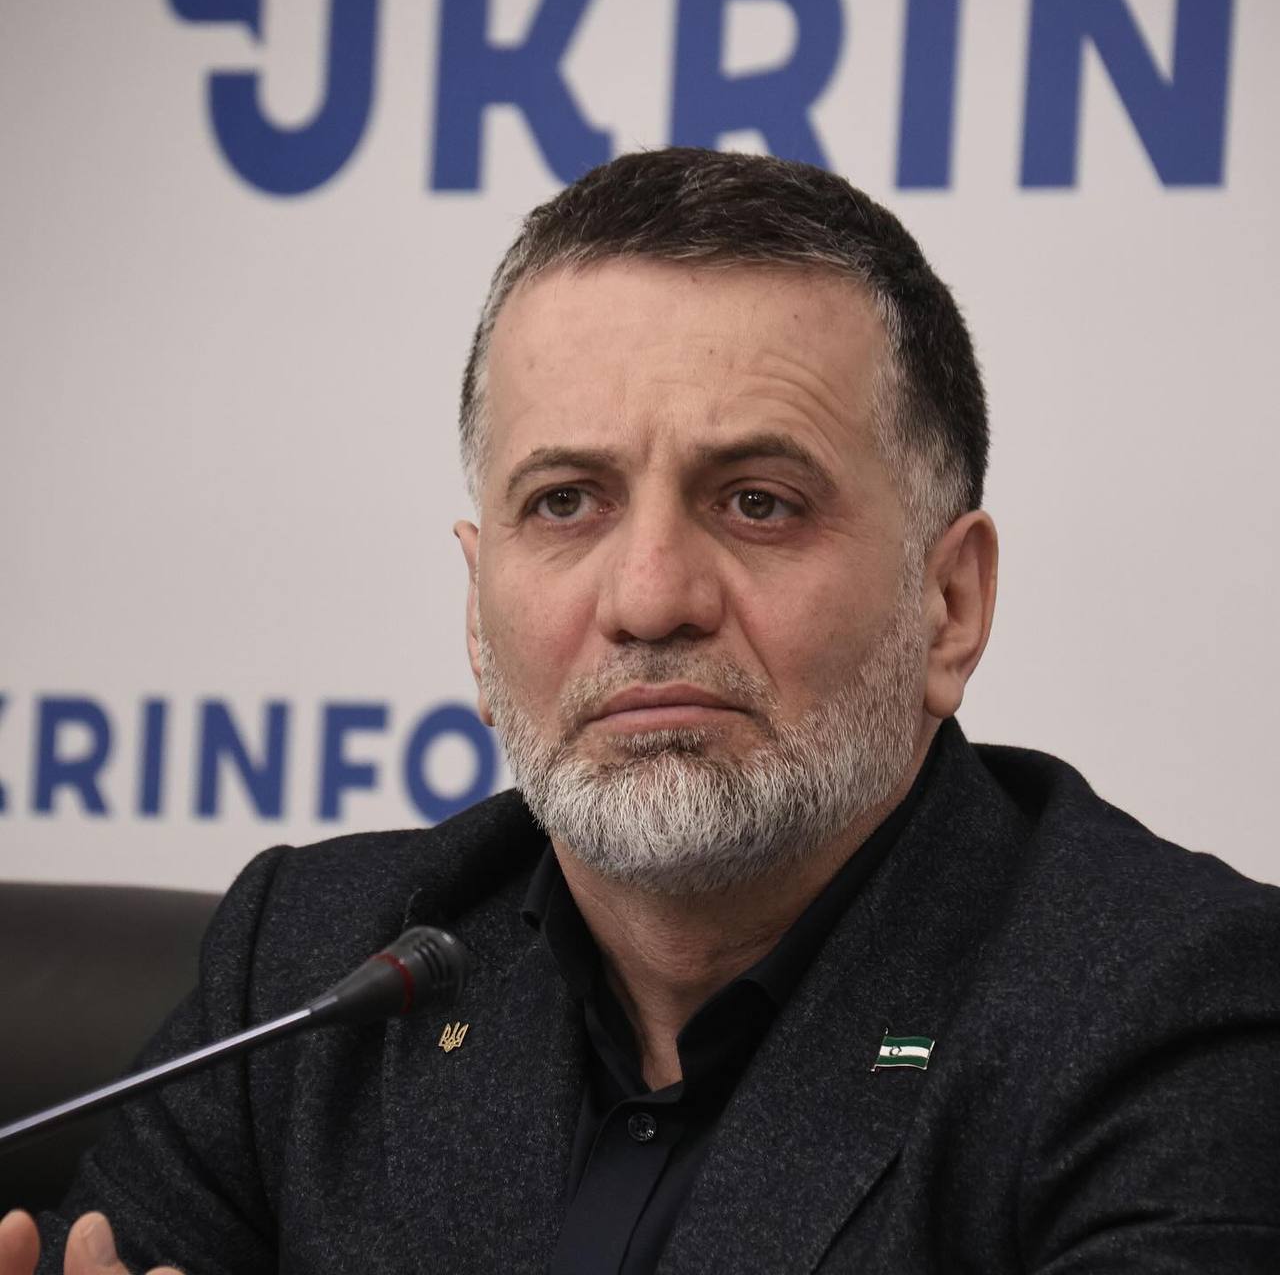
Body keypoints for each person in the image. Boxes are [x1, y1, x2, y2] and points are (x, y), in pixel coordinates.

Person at [2, 148, 1278, 1274]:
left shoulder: (1170, 1013)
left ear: (947, 603)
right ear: (477, 604)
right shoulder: (306, 966)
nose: (650, 596)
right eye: (564, 502)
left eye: (758, 502)